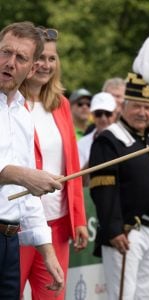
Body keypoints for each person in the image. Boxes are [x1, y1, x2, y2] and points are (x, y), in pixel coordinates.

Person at [89, 34, 149, 300]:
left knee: (147, 296)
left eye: (148, 107)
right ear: (123, 106)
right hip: (127, 232)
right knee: (123, 296)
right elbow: (103, 188)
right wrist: (114, 228)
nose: (143, 113)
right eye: (137, 106)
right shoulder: (110, 138)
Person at [19, 26, 88, 299]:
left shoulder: (61, 104)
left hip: (57, 225)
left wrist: (79, 218)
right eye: (40, 57)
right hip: (19, 223)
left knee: (53, 295)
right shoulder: (10, 104)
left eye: (51, 58)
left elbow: (72, 166)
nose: (45, 65)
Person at [0, 21, 64, 299]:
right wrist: (22, 175)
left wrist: (47, 251)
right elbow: (24, 179)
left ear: (32, 68)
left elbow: (27, 196)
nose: (10, 62)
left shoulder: (23, 115)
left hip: (10, 243)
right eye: (5, 52)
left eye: (21, 57)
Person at [77, 91, 116, 170]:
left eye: (108, 113)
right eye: (99, 113)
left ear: (115, 114)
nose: (103, 118)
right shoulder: (82, 143)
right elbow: (78, 176)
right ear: (92, 115)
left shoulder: (127, 140)